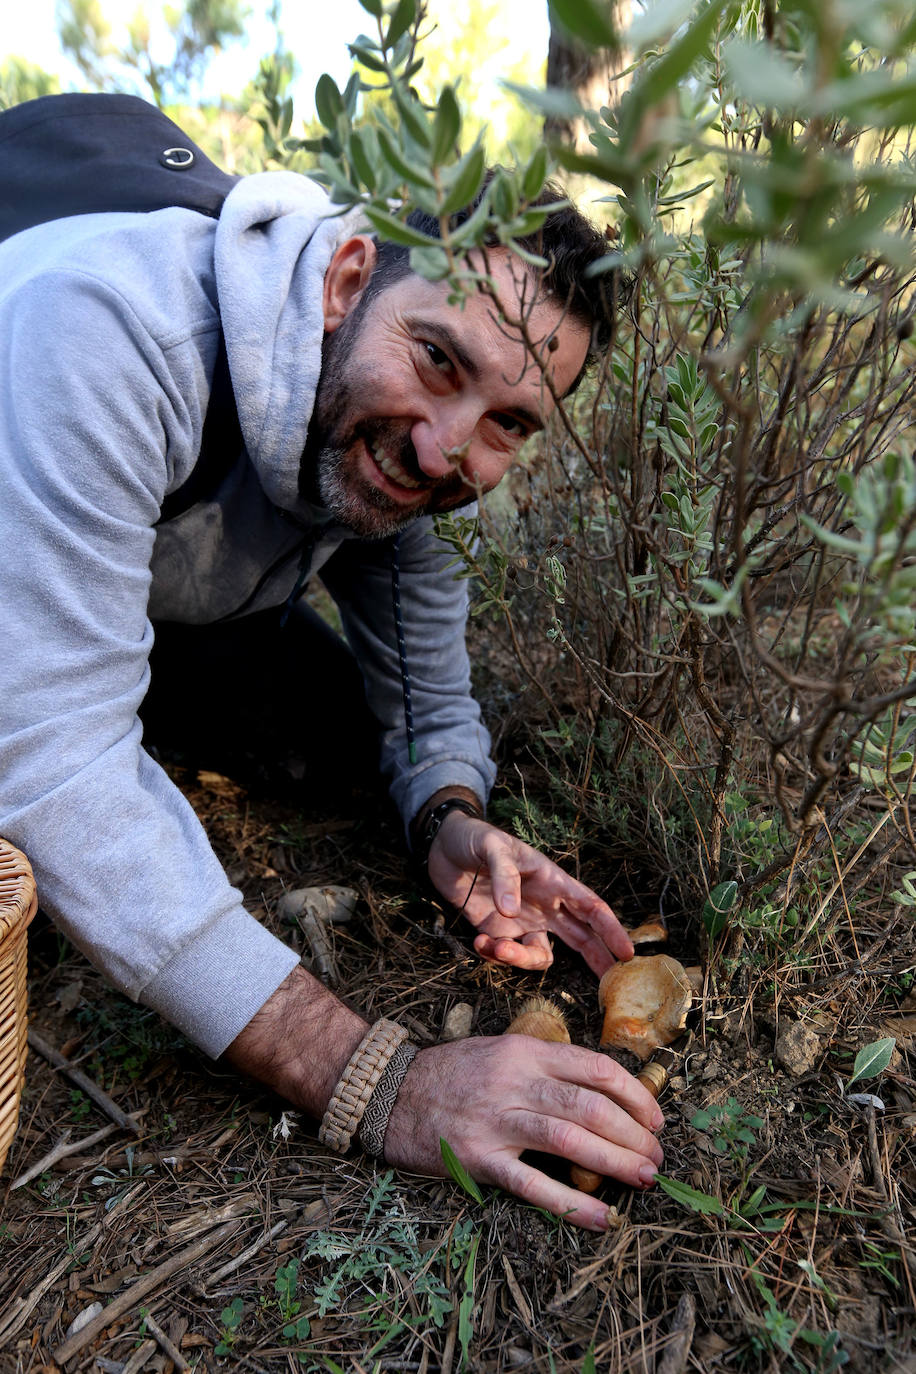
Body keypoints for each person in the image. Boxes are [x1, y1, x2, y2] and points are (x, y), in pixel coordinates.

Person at [0, 161, 664, 1228]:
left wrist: (452, 817)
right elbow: (51, 760)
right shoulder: (114, 330)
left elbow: (423, 684)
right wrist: (378, 1077)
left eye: (508, 421)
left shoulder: (408, 448)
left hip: (166, 580)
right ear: (348, 279)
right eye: (437, 358)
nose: (446, 447)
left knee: (337, 738)